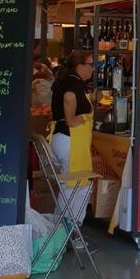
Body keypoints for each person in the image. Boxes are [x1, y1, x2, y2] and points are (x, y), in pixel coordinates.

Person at [49, 50, 95, 223]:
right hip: (70, 140)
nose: (92, 68)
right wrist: (70, 119)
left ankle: (63, 227)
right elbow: (69, 98)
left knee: (72, 184)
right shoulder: (74, 83)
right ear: (79, 66)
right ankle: (68, 228)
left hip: (63, 139)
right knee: (75, 185)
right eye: (90, 64)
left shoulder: (68, 80)